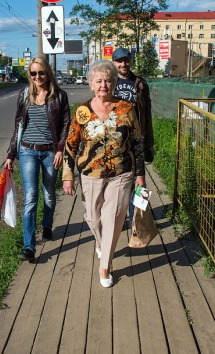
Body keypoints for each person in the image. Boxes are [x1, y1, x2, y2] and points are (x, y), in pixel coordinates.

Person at [62, 60, 145, 288]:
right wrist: (67, 175)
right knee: (93, 217)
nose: (104, 85)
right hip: (90, 173)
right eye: (98, 81)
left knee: (115, 217)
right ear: (91, 84)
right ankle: (100, 243)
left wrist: (140, 174)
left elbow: (137, 143)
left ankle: (105, 265)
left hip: (122, 171)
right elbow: (70, 145)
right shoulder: (82, 111)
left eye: (108, 80)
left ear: (115, 83)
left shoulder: (126, 109)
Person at [5, 57, 70, 263]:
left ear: (48, 73)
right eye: (33, 73)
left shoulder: (60, 96)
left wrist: (60, 149)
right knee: (31, 197)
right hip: (27, 151)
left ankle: (48, 224)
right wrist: (10, 154)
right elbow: (18, 126)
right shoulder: (24, 95)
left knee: (49, 194)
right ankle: (29, 246)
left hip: (50, 152)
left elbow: (65, 126)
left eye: (41, 72)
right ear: (29, 75)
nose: (37, 77)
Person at [112, 47, 154, 225]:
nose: (123, 64)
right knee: (117, 182)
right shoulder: (108, 82)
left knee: (139, 181)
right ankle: (120, 219)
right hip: (115, 140)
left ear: (130, 61)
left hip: (137, 139)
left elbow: (147, 115)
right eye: (119, 61)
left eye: (126, 60)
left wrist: (149, 142)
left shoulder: (140, 84)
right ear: (114, 63)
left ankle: (138, 221)